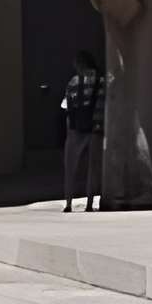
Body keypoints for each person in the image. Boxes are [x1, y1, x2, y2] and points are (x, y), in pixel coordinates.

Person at [59, 49, 106, 213]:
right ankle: (89, 204)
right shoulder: (101, 80)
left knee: (70, 168)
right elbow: (103, 103)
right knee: (93, 168)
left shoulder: (72, 82)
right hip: (95, 128)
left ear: (79, 65)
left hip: (74, 129)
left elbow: (65, 105)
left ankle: (68, 204)